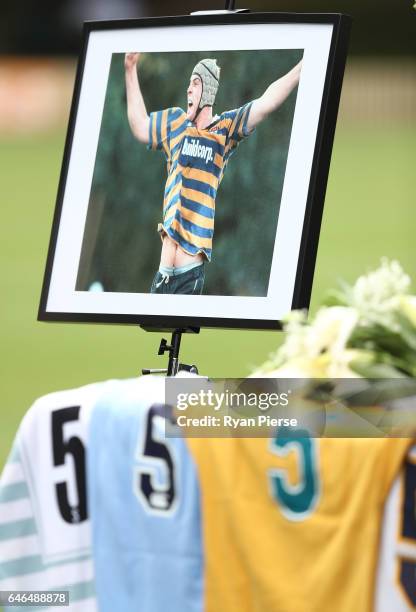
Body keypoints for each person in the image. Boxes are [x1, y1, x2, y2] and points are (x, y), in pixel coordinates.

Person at [124, 53, 302, 295]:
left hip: (189, 275)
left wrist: (302, 68)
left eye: (195, 83)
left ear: (208, 90)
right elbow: (141, 126)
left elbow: (266, 101)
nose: (189, 89)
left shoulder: (225, 129)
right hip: (163, 273)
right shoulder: (175, 123)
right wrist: (130, 68)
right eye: (189, 84)